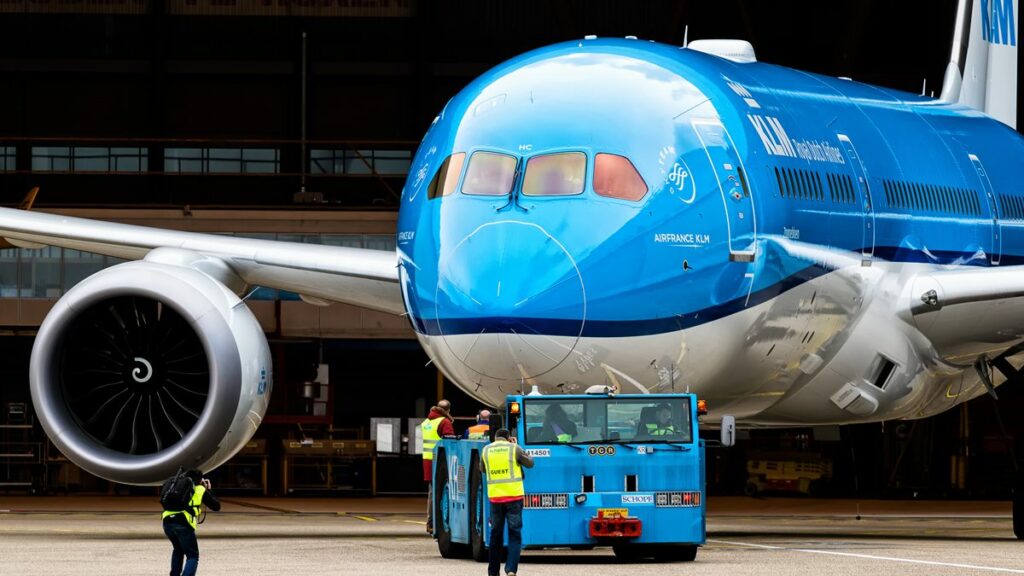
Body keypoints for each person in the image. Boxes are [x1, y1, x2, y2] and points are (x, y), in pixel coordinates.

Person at [482, 428, 534, 576]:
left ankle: (493, 572)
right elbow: (530, 463)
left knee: (495, 535)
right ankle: (511, 569)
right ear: (509, 437)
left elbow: (483, 469)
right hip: (514, 497)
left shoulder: (486, 450)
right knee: (514, 533)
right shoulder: (514, 448)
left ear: (495, 437)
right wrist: (519, 447)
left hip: (495, 498)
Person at [162, 469, 221, 576]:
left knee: (178, 549)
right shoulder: (199, 489)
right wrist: (209, 490)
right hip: (183, 523)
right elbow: (216, 506)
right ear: (199, 480)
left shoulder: (176, 487)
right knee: (193, 556)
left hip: (167, 522)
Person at [422, 399, 454, 533]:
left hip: (428, 461)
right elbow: (450, 442)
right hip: (440, 463)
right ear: (448, 410)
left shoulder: (427, 422)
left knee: (432, 493)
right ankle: (436, 523)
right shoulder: (444, 422)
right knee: (440, 493)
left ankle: (430, 523)